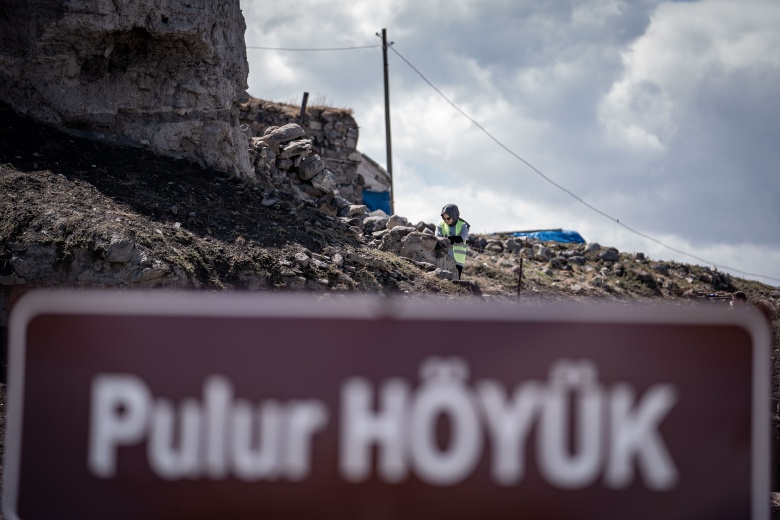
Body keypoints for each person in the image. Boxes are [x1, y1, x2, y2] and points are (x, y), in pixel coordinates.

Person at [435, 203, 469, 279]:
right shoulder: (440, 225)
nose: (446, 220)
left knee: (456, 282)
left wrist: (452, 239)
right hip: (444, 258)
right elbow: (437, 237)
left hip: (458, 260)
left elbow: (464, 237)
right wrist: (446, 238)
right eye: (444, 218)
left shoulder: (463, 225)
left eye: (448, 218)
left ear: (454, 215)